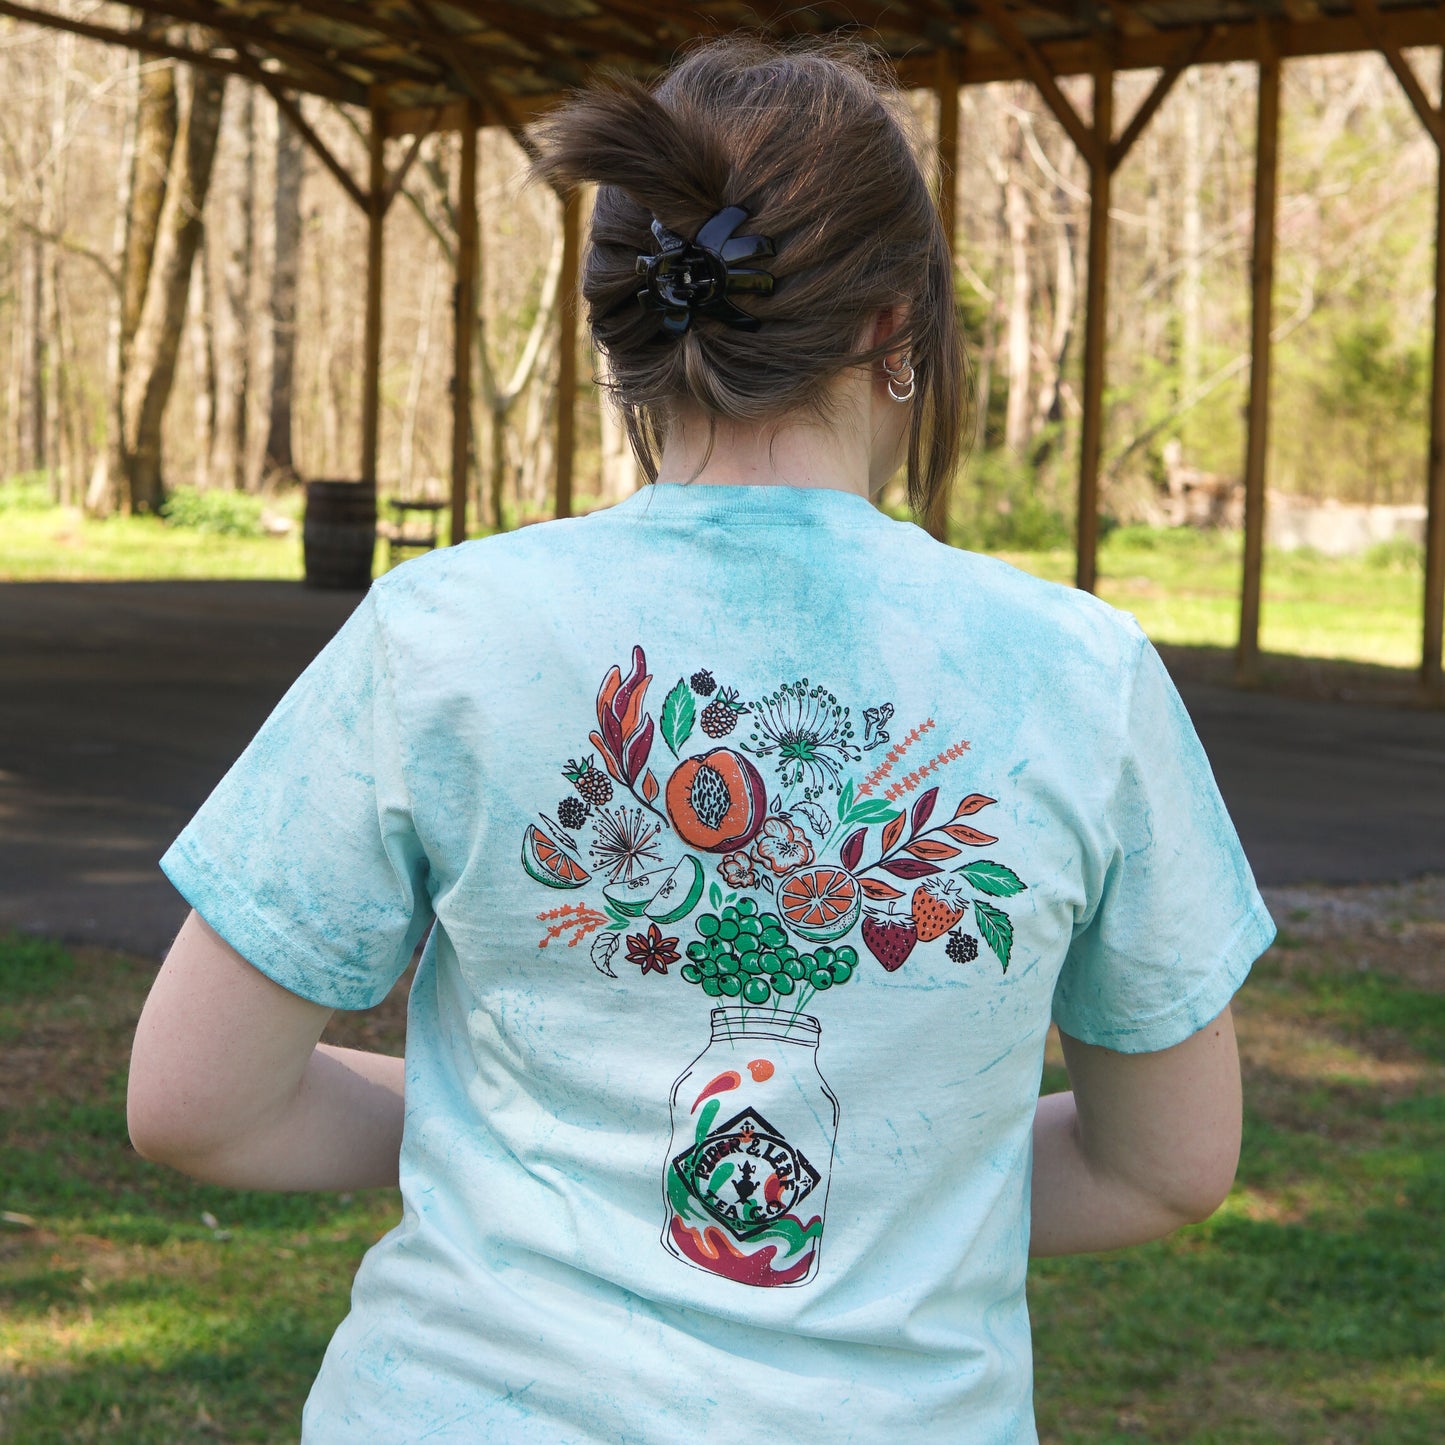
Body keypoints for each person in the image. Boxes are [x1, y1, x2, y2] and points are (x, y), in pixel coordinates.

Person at [127, 37, 1276, 1444]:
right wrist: (900, 1187)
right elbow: (1167, 1168)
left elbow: (196, 1102)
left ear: (622, 326)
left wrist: (521, 1138)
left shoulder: (439, 632)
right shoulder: (1079, 675)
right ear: (893, 327)